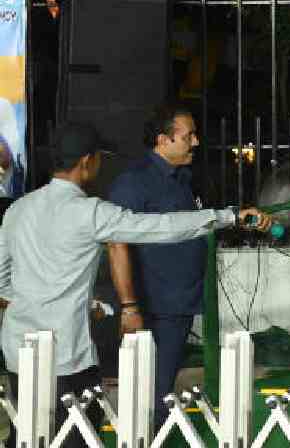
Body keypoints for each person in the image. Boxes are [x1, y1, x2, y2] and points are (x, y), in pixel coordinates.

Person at [0, 122, 271, 448]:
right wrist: (228, 216)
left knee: (25, 434)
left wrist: (37, 304)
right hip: (66, 354)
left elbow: (2, 279)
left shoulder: (18, 209)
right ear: (87, 162)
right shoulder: (90, 212)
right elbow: (161, 227)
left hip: (18, 348)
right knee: (75, 436)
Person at [105, 104, 209, 429]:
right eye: (188, 136)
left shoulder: (183, 179)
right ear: (163, 140)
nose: (196, 142)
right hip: (153, 310)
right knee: (151, 397)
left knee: (159, 392)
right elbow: (116, 243)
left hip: (177, 306)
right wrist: (129, 307)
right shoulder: (134, 183)